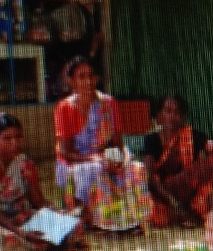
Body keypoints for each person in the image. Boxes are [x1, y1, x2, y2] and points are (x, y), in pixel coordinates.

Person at [54, 56, 151, 230]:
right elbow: (65, 152)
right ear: (71, 81)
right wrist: (96, 159)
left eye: (91, 76)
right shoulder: (65, 108)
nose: (88, 81)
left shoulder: (109, 103)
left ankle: (131, 220)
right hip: (75, 162)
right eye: (81, 77)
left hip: (105, 158)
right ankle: (97, 221)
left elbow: (118, 144)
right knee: (94, 169)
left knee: (136, 168)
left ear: (97, 78)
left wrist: (120, 160)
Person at [0, 113, 84, 251]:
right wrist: (21, 232)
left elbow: (38, 202)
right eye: (7, 138)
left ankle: (45, 243)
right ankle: (49, 244)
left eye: (18, 137)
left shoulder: (25, 163)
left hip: (19, 217)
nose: (15, 143)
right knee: (8, 242)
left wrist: (61, 213)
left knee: (74, 224)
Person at [142, 94, 213, 227]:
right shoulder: (152, 140)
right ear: (160, 116)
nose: (172, 117)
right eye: (168, 111)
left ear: (183, 117)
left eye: (177, 112)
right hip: (165, 195)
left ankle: (194, 211)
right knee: (159, 215)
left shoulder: (192, 135)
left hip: (191, 192)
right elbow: (150, 177)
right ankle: (184, 213)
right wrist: (173, 202)